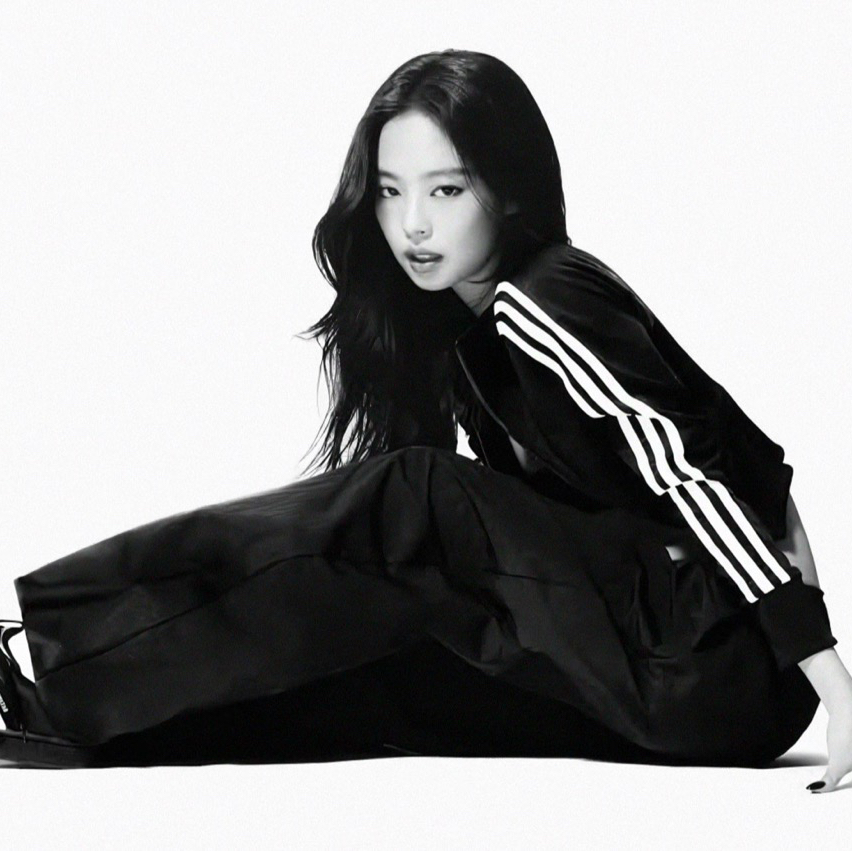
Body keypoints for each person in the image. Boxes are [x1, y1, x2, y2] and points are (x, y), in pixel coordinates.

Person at [1, 49, 849, 791]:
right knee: (379, 663)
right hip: (669, 677)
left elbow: (696, 469)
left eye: (446, 189)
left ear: (507, 190)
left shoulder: (542, 298)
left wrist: (825, 674)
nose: (412, 224)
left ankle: (56, 647)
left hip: (718, 654)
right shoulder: (465, 336)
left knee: (415, 495)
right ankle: (81, 722)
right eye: (389, 192)